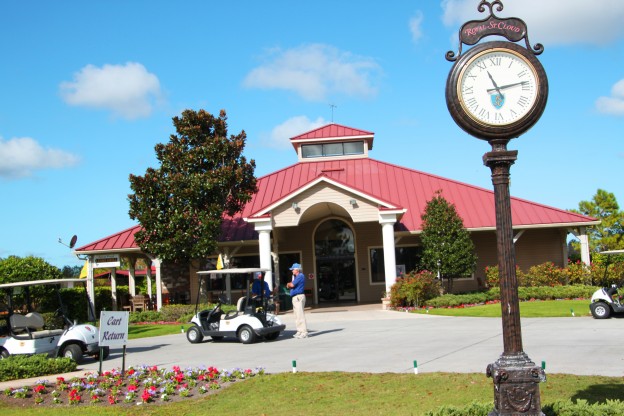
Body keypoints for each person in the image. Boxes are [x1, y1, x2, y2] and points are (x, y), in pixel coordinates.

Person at [286, 263, 308, 338]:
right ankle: (299, 331)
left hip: (298, 297)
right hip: (295, 297)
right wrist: (290, 284)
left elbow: (292, 285)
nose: (292, 271)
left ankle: (304, 332)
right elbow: (292, 284)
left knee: (300, 315)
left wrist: (288, 284)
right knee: (296, 315)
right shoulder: (296, 277)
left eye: (293, 269)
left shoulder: (300, 276)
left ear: (297, 270)